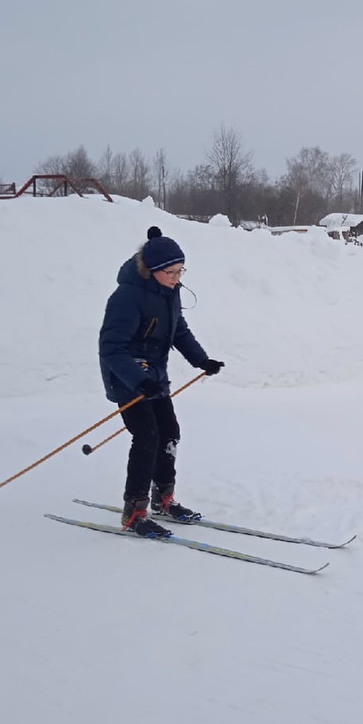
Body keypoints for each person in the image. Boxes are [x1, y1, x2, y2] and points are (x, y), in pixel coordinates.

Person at [98, 226, 224, 537]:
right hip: (128, 380)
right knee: (147, 438)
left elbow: (178, 330)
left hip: (155, 378)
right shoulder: (127, 296)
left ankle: (163, 498)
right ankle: (134, 511)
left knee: (170, 432)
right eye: (170, 272)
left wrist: (201, 360)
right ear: (153, 270)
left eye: (181, 271)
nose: (177, 277)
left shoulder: (169, 292)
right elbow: (111, 348)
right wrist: (138, 380)